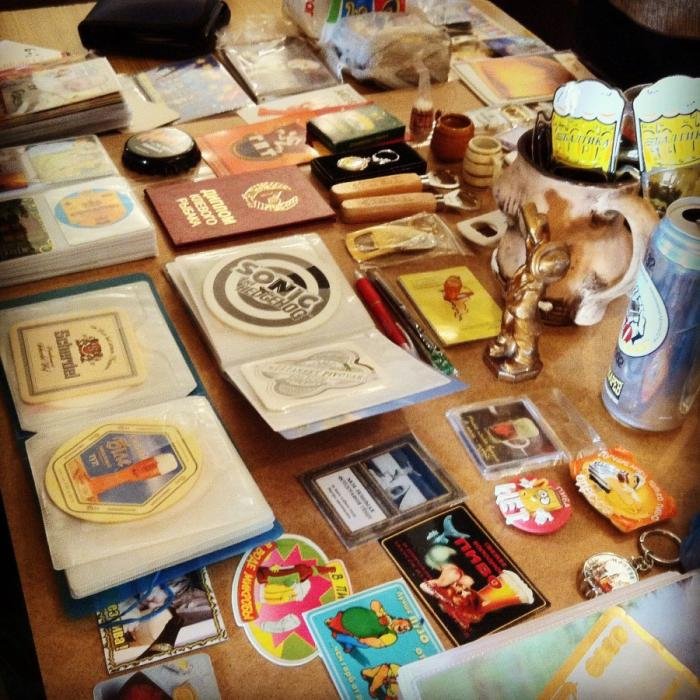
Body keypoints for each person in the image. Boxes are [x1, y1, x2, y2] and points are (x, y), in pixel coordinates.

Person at [325, 599, 412, 652]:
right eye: (405, 626)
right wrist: (379, 614)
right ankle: (348, 643)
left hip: (364, 635)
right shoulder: (386, 615)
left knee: (365, 645)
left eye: (406, 630)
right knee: (339, 623)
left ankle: (342, 639)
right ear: (401, 619)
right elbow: (375, 602)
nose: (405, 629)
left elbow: (379, 643)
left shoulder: (392, 636)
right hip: (355, 617)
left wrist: (365, 640)